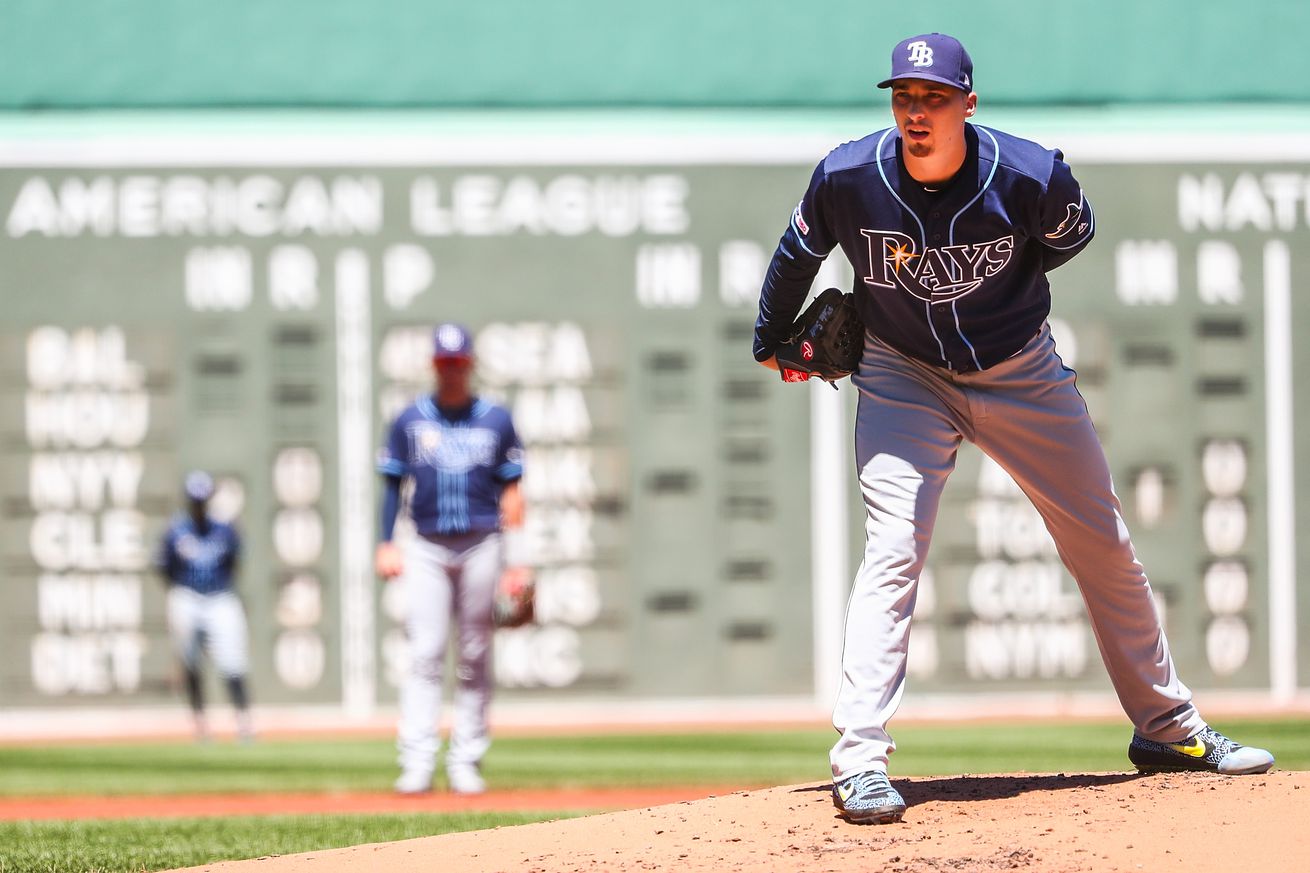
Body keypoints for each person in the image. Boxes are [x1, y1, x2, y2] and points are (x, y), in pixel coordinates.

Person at [752, 33, 1274, 825]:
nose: (915, 112)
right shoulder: (850, 176)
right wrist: (769, 338)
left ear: (968, 101)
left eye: (932, 98)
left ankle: (1169, 728)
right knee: (893, 546)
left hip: (1020, 370)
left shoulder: (1030, 174)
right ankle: (858, 758)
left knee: (1102, 542)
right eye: (903, 97)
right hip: (903, 374)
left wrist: (1000, 299)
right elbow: (797, 251)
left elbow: (1071, 236)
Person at [375, 322, 528, 795]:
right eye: (444, 363)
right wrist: (386, 541)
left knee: (475, 655)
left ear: (470, 365)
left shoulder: (496, 420)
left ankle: (467, 760)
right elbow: (391, 488)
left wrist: (519, 559)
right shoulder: (410, 420)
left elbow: (514, 494)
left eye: (458, 363)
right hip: (426, 545)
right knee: (424, 652)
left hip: (483, 540)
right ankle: (418, 761)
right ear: (433, 366)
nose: (452, 371)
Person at [156, 470, 254, 743]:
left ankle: (244, 721)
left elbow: (236, 563)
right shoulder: (176, 530)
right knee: (191, 663)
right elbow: (163, 567)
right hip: (187, 595)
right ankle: (200, 723)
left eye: (202, 500)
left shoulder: (224, 529)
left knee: (233, 661)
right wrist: (177, 593)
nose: (198, 505)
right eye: (194, 500)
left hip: (219, 596)